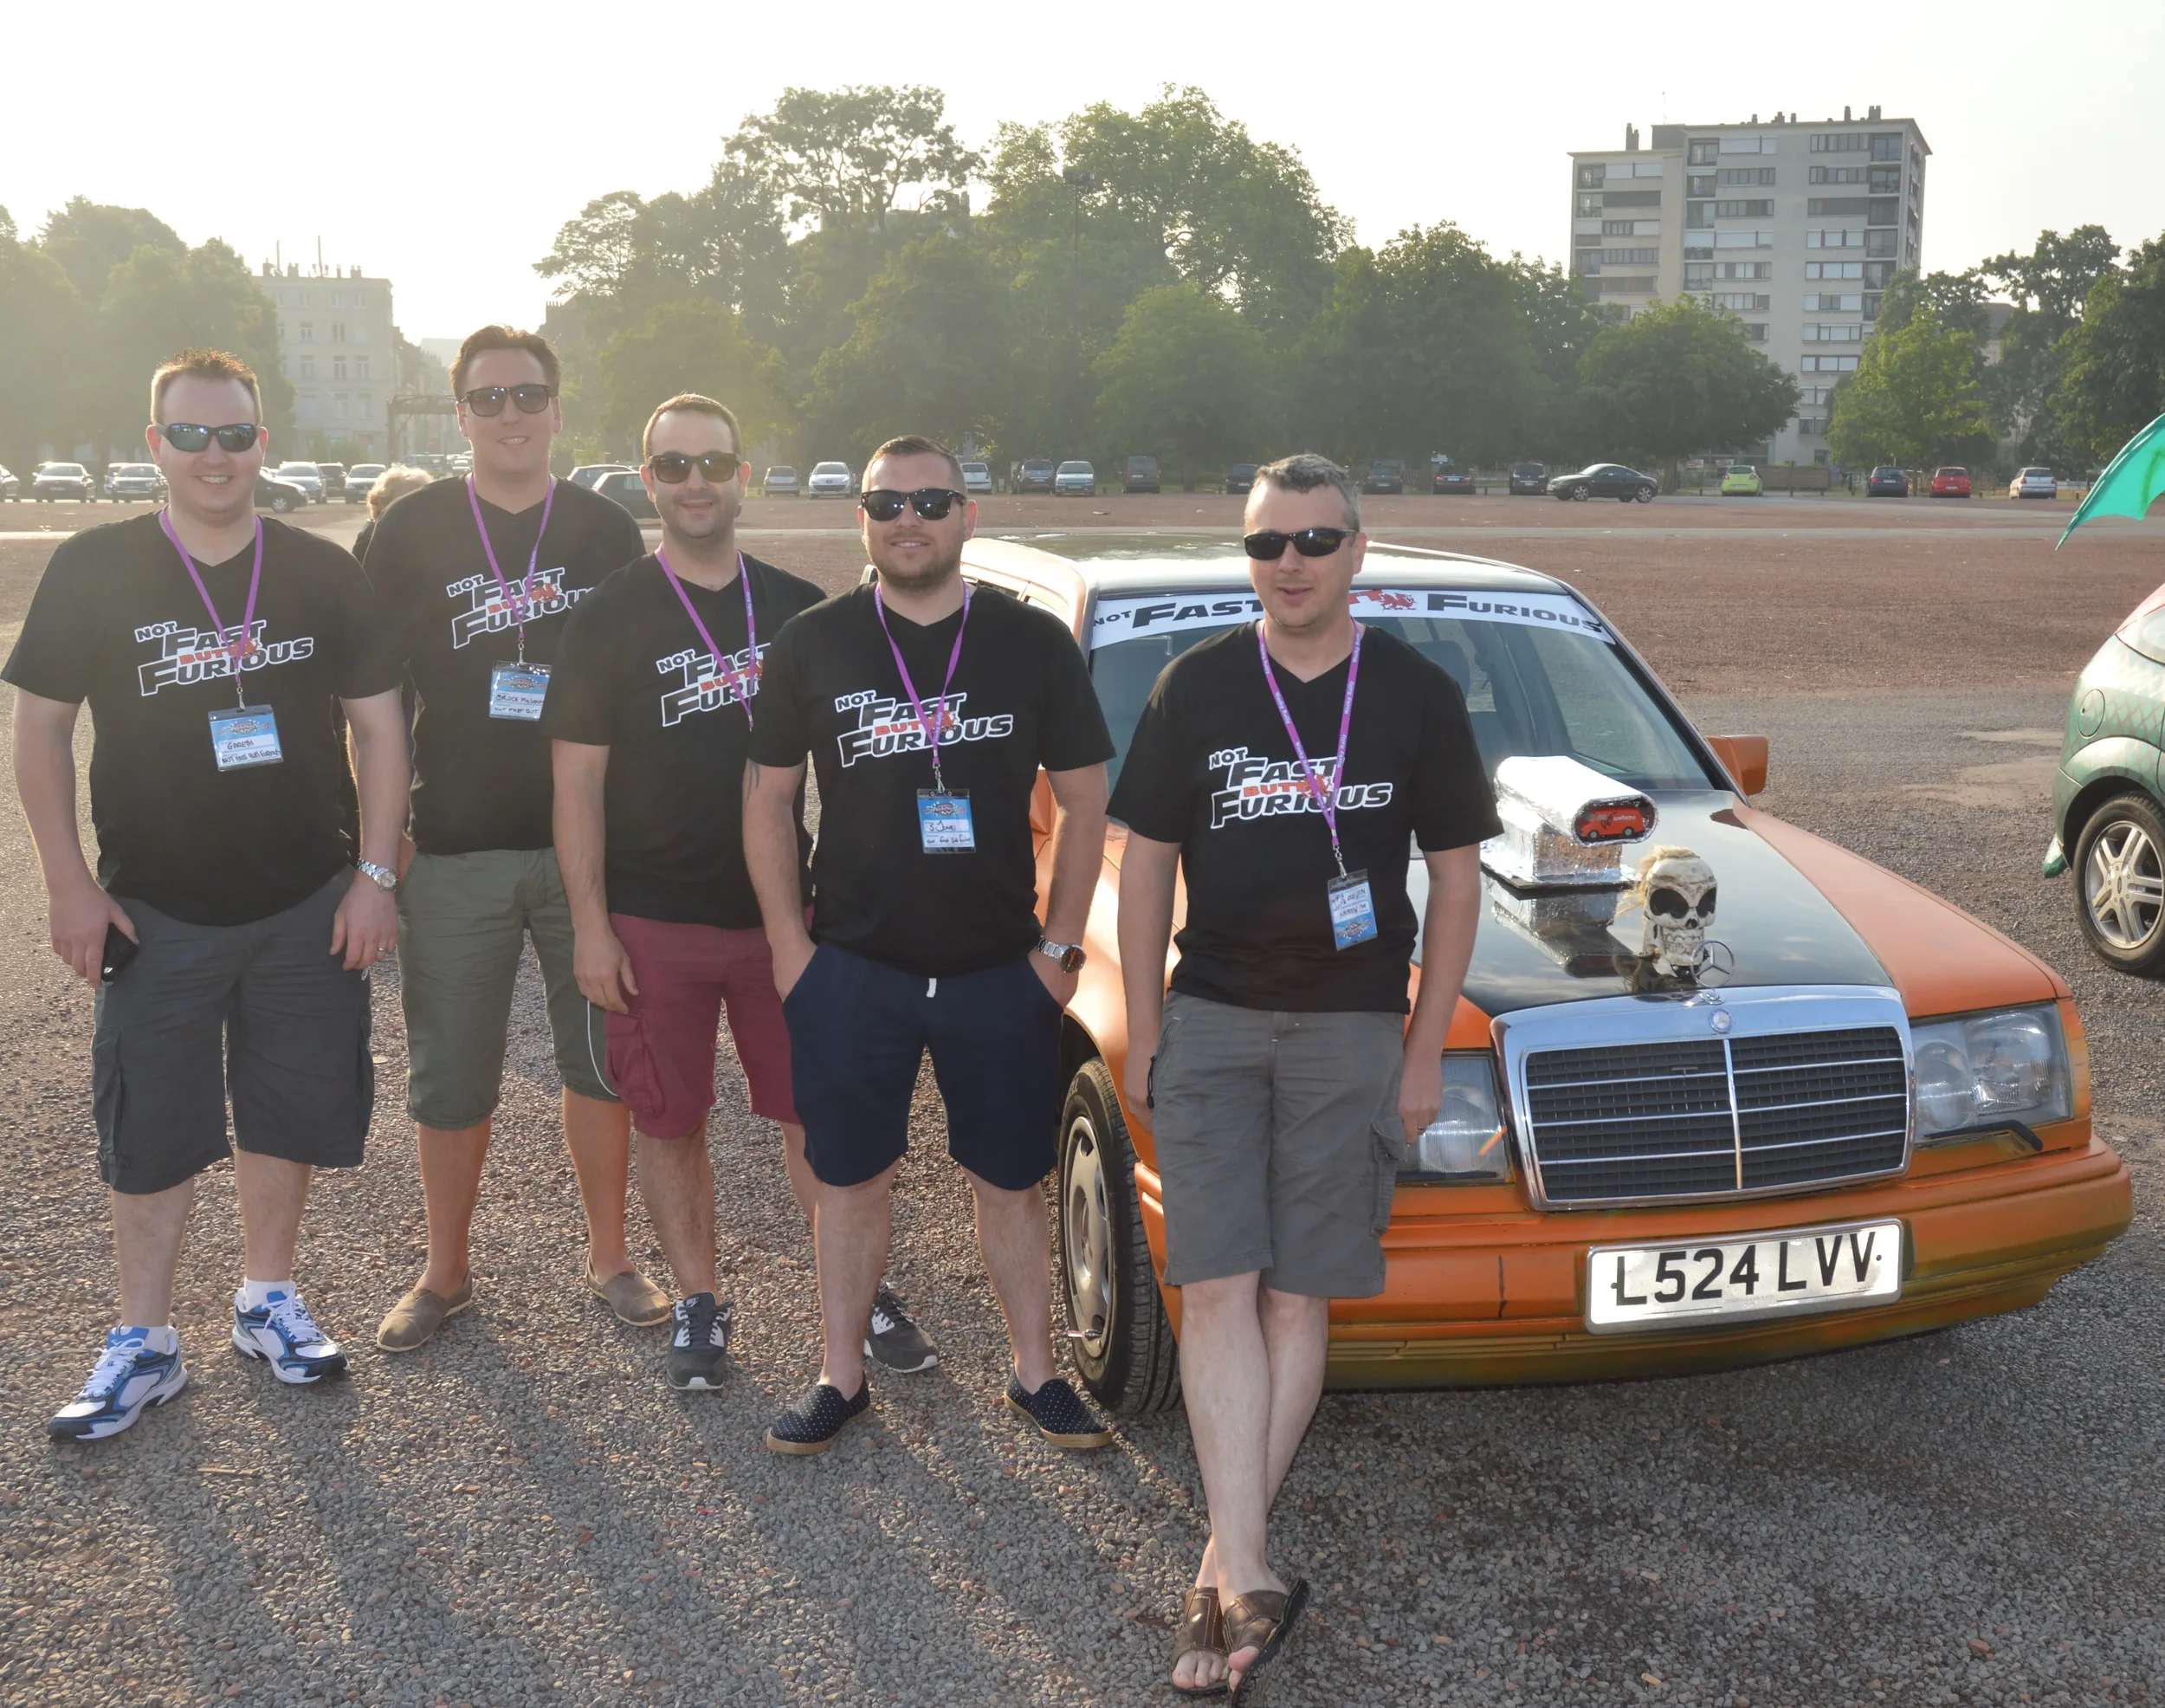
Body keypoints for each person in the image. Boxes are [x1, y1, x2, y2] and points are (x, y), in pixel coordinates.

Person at [1109, 453, 1496, 1697]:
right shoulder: (1198, 686)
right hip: (1214, 1017)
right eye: (1268, 543)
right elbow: (1150, 859)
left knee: (1294, 1298)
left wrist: (1425, 1042)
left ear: (1358, 551)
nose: (1291, 563)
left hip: (1346, 1031)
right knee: (1216, 1287)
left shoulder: (1417, 693)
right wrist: (1149, 1026)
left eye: (1316, 540)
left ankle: (1229, 1560)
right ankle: (1252, 1569)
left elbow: (1452, 879)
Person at [10, 348, 408, 1440]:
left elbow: (380, 724)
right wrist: (68, 885)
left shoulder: (322, 570)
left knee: (287, 1102)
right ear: (156, 447)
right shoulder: (94, 566)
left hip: (304, 900)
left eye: (234, 434)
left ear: (261, 443)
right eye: (191, 435)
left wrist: (376, 876)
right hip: (154, 909)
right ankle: (145, 1336)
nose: (215, 455)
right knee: (150, 1123)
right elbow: (39, 727)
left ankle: (266, 1296)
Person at [543, 394, 938, 1388]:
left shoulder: (800, 607)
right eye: (673, 466)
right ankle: (699, 1301)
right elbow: (575, 780)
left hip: (785, 922)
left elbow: (861, 760)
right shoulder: (609, 614)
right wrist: (590, 925)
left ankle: (859, 1287)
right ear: (649, 482)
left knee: (820, 1115)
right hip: (650, 916)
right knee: (670, 1121)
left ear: (743, 473)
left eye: (713, 461)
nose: (696, 482)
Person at [742, 434, 1116, 1455]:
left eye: (932, 500)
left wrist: (1059, 949)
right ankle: (840, 1372)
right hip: (853, 967)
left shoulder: (1030, 641)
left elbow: (1086, 803)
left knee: (1009, 1178)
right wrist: (790, 950)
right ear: (858, 517)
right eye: (887, 503)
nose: (910, 520)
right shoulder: (813, 641)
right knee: (852, 1177)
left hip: (1000, 967)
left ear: (967, 514)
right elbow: (769, 798)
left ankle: (1034, 1372)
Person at [360, 326, 656, 1353]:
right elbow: (369, 699)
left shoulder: (606, 528)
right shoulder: (409, 530)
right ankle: (446, 1271)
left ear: (558, 407)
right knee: (450, 1073)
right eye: (487, 399)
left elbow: (646, 691)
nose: (511, 414)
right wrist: (378, 837)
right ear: (460, 415)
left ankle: (611, 1256)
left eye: (528, 394)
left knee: (601, 1062)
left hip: (589, 853)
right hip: (454, 845)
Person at [353, 463, 432, 564]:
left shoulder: (428, 539)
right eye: (408, 502)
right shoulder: (370, 545)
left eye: (423, 500)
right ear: (382, 504)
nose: (419, 508)